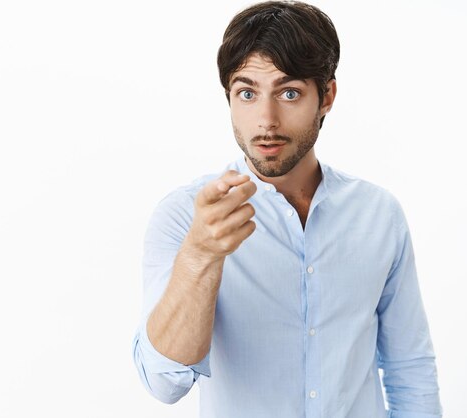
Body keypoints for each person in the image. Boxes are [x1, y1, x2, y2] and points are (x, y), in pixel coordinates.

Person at [131, 1, 442, 417]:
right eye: (247, 93)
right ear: (229, 97)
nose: (266, 120)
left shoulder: (378, 214)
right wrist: (200, 256)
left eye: (289, 92)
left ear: (326, 96)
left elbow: (409, 370)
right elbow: (164, 382)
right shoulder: (185, 217)